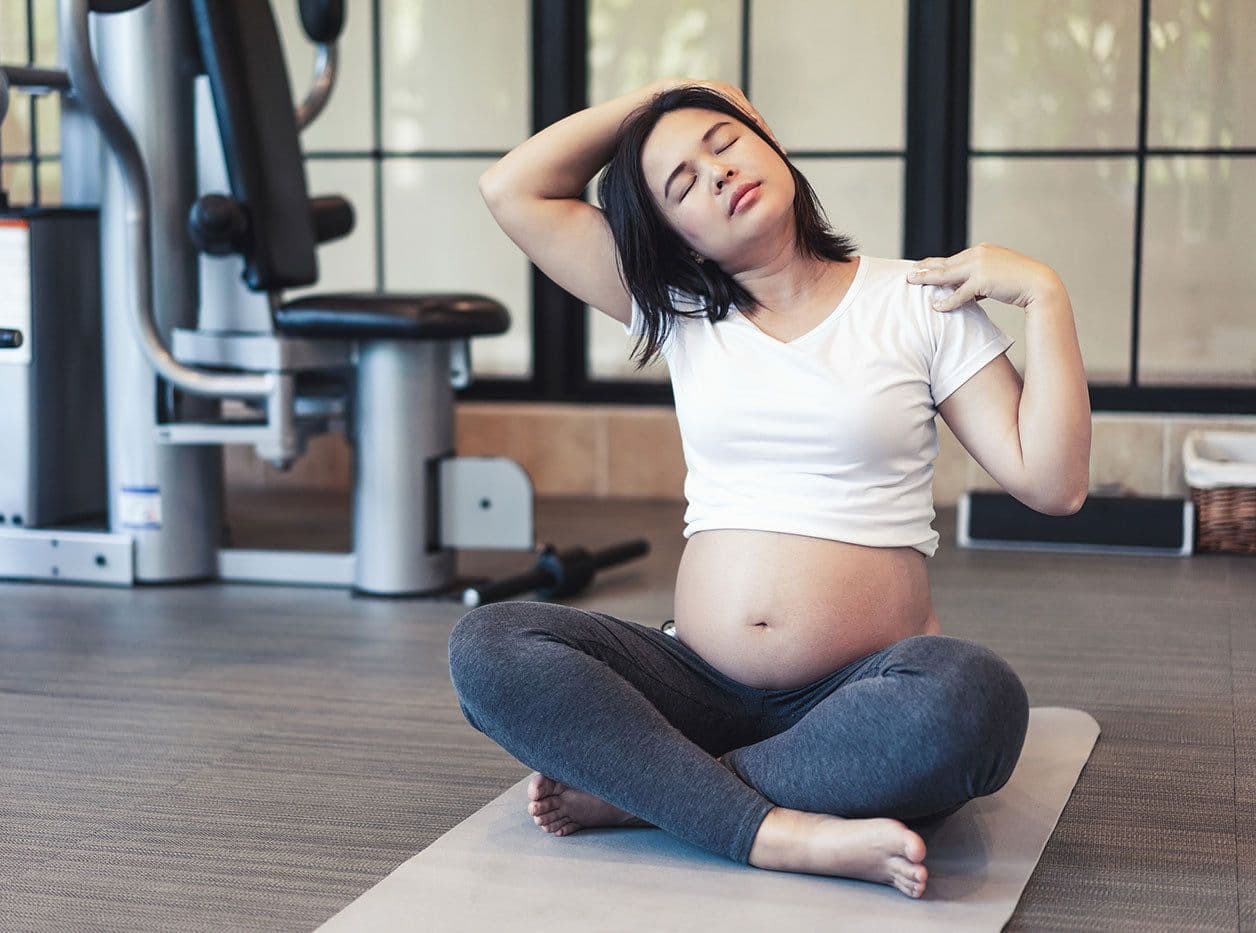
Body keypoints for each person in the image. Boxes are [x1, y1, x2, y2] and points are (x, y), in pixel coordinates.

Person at [450, 78, 1091, 899]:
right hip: (695, 682)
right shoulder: (677, 308)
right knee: (489, 646)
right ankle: (775, 828)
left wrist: (1045, 294)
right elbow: (512, 188)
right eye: (681, 184)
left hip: (859, 692)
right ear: (676, 235)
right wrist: (672, 97)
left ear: (767, 137)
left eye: (724, 142)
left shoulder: (917, 302)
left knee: (974, 701)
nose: (715, 174)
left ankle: (653, 792)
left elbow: (1055, 483)